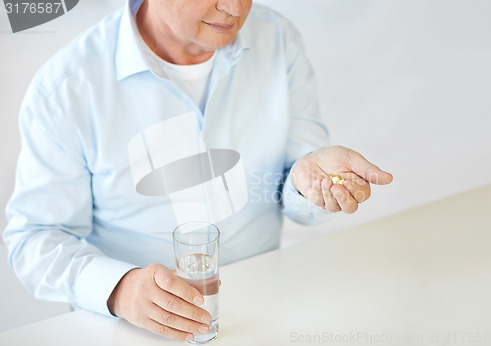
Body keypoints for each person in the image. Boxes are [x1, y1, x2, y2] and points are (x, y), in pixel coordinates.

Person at [3, 0, 393, 342]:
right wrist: (119, 289)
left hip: (264, 307)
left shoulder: (278, 39)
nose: (236, 8)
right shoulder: (68, 87)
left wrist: (311, 184)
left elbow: (295, 183)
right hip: (130, 328)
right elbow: (35, 237)